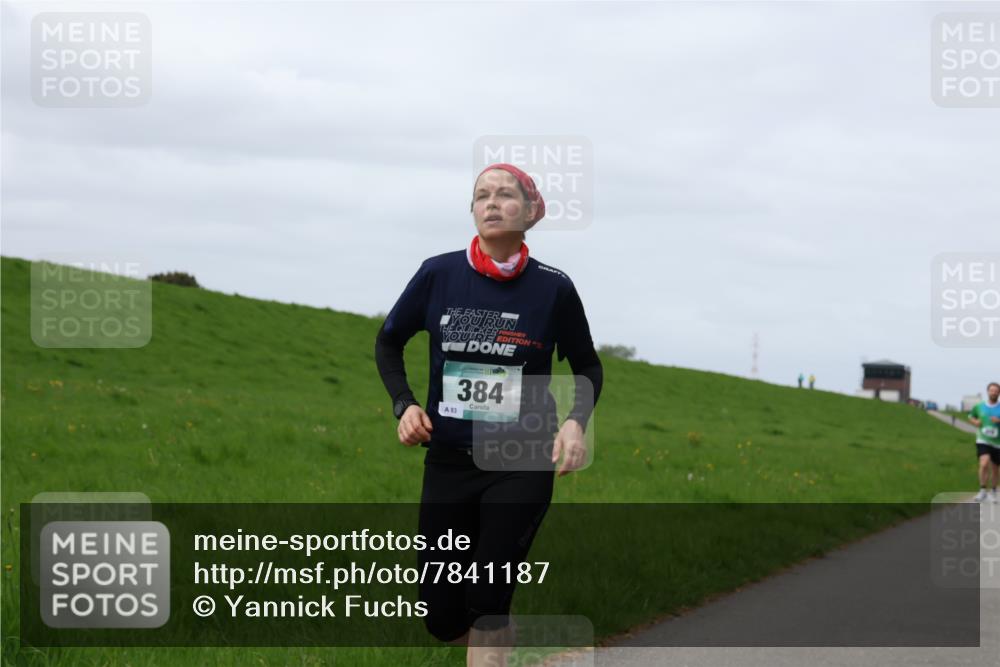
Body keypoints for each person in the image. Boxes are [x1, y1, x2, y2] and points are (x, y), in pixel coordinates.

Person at [374, 163, 604, 665]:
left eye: (505, 195)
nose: (492, 203)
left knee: (487, 600)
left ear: (532, 211)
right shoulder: (438, 274)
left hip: (520, 461)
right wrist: (405, 404)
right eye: (481, 195)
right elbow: (389, 341)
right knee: (441, 616)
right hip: (450, 462)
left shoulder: (553, 288)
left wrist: (573, 421)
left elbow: (587, 364)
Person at [968, 382, 1000, 503]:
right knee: (984, 463)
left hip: (998, 442)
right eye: (991, 390)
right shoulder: (979, 406)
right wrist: (975, 422)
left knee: (995, 469)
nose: (994, 393)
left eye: (996, 391)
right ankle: (982, 491)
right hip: (983, 439)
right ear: (988, 391)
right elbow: (971, 416)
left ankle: (993, 492)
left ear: (999, 393)